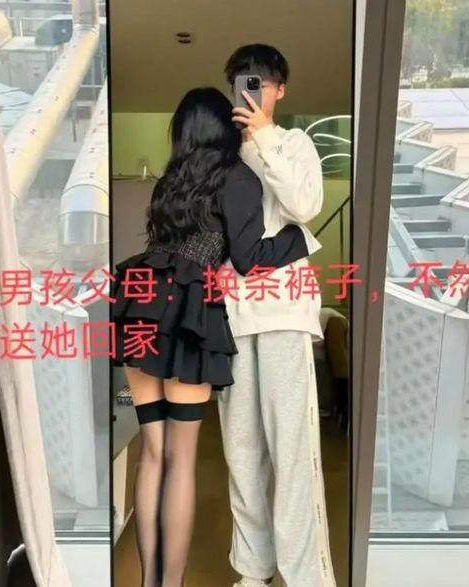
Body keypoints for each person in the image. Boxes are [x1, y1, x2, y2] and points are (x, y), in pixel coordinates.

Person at [112, 87, 310, 587]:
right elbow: (248, 258)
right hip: (188, 312)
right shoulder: (236, 177)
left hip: (139, 299)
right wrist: (299, 238)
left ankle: (149, 583)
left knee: (152, 453)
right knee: (180, 459)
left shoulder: (169, 182)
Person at [218, 44, 337, 587]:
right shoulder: (224, 155)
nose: (250, 93)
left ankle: (304, 576)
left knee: (292, 452)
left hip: (284, 314)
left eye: (260, 84)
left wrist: (265, 137)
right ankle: (253, 569)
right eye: (242, 83)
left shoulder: (295, 143)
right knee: (242, 452)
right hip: (234, 318)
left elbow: (305, 205)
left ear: (279, 90)